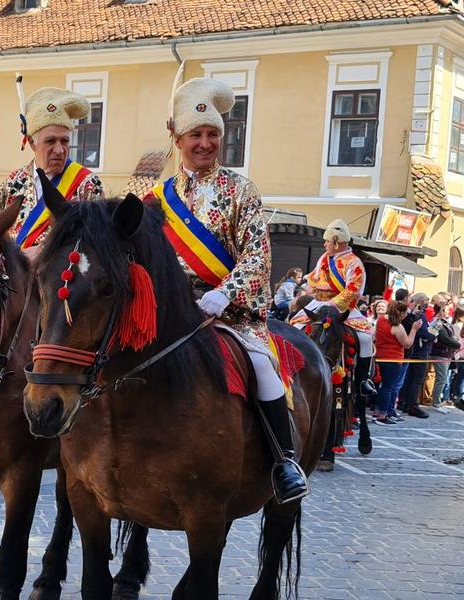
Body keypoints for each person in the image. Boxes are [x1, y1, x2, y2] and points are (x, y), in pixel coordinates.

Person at [145, 75, 306, 504]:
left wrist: (225, 293)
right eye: (195, 134)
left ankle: (283, 460)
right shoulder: (155, 199)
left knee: (263, 365)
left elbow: (258, 255)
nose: (204, 143)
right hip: (169, 312)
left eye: (212, 134)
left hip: (228, 313)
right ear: (176, 139)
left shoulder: (240, 190)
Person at [0, 84, 103, 254]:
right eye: (51, 141)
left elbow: (95, 243)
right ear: (32, 142)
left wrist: (40, 252)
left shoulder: (88, 184)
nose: (60, 150)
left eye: (65, 141)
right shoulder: (12, 183)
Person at [290, 219, 377, 425]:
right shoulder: (323, 258)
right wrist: (303, 292)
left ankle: (364, 380)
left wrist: (331, 305)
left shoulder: (354, 263)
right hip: (319, 303)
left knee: (365, 338)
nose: (324, 245)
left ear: (337, 242)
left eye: (327, 241)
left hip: (343, 307)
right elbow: (315, 280)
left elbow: (352, 291)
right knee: (294, 324)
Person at [374, 301, 422, 424]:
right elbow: (407, 344)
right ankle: (383, 415)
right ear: (401, 313)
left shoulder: (381, 320)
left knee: (382, 386)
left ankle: (378, 411)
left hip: (380, 357)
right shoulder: (397, 326)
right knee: (388, 387)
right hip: (393, 359)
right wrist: (414, 329)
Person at [398, 293, 436, 419]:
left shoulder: (415, 314)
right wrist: (434, 333)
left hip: (415, 351)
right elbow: (425, 333)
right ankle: (412, 405)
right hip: (420, 351)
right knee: (417, 380)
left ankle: (403, 402)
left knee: (409, 378)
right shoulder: (420, 315)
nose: (428, 301)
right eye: (426, 299)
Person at [428, 296, 460, 414]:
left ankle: (438, 401)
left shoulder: (444, 323)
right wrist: (457, 343)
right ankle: (435, 403)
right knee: (441, 379)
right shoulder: (437, 323)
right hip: (440, 353)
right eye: (445, 310)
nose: (447, 312)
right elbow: (444, 338)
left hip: (446, 354)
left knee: (442, 378)